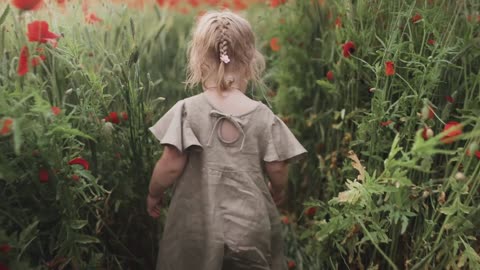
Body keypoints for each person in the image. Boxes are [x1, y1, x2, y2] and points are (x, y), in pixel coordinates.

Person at [146, 10, 307, 270]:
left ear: (198, 62)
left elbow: (172, 163)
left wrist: (155, 192)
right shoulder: (262, 115)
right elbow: (277, 167)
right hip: (250, 225)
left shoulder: (188, 110)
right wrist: (279, 190)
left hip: (197, 226)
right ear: (250, 63)